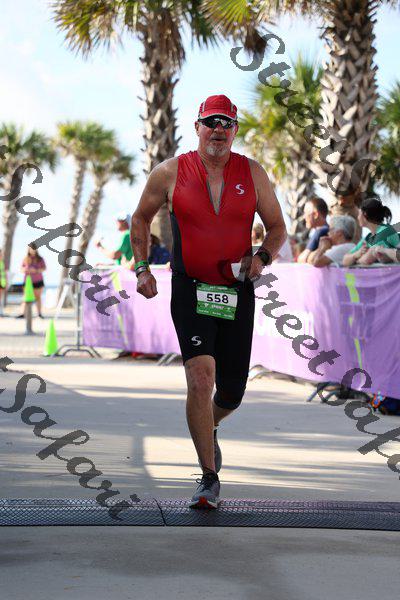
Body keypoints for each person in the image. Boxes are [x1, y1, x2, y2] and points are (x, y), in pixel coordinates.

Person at [130, 94, 287, 509]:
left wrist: (262, 257)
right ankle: (208, 476)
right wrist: (142, 267)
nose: (219, 130)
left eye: (227, 123)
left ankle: (210, 425)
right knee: (200, 379)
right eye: (211, 122)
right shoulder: (170, 172)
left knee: (231, 391)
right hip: (190, 288)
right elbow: (140, 217)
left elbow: (277, 227)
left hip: (236, 290)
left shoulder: (252, 172)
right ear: (197, 127)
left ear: (235, 131)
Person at [342, 198, 400, 267]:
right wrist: (356, 254)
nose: (358, 217)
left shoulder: (384, 231)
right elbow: (344, 261)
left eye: (359, 214)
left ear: (365, 214)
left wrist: (356, 259)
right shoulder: (368, 237)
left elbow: (366, 260)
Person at [17, 244, 46, 318]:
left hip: (38, 281)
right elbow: (21, 269)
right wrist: (26, 270)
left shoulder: (40, 259)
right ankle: (22, 313)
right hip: (28, 281)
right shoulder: (25, 258)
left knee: (38, 297)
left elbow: (44, 268)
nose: (33, 250)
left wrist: (36, 270)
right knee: (25, 297)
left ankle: (39, 314)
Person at [297, 197, 329, 263]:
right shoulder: (329, 230)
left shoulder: (321, 231)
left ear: (315, 214)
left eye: (306, 213)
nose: (304, 217)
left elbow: (302, 259)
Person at [0, 248, 6, 316]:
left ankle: (1, 311)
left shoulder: (2, 263)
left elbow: (4, 273)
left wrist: (5, 282)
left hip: (2, 282)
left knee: (1, 297)